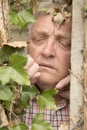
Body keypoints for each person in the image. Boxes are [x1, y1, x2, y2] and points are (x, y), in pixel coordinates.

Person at [22, 2, 72, 130]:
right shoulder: (8, 96)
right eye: (39, 39)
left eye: (63, 43)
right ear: (28, 45)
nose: (47, 51)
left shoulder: (82, 102)